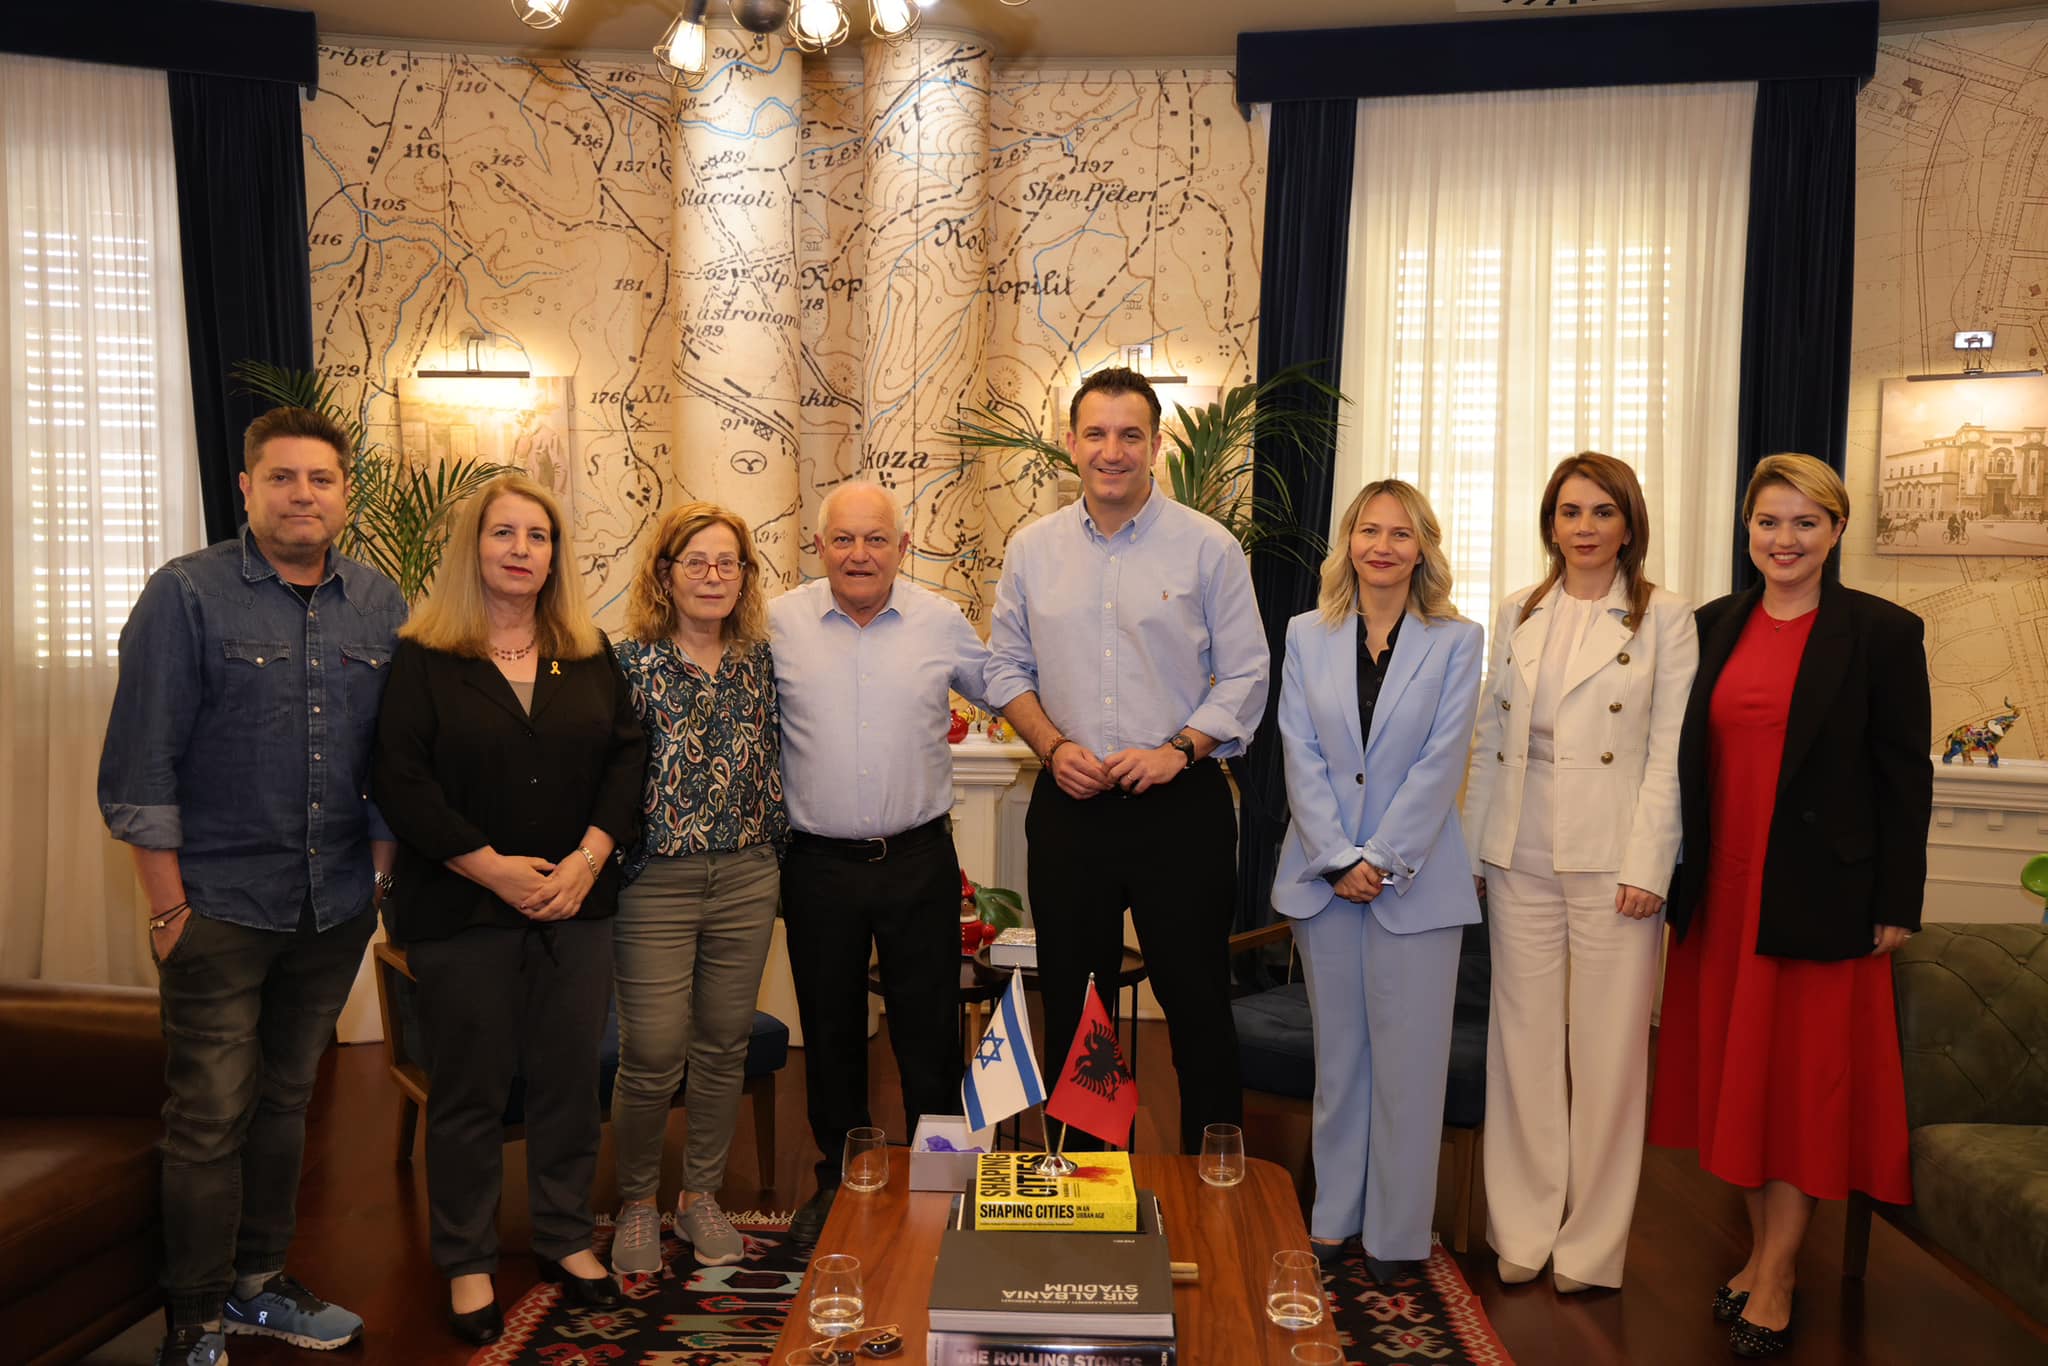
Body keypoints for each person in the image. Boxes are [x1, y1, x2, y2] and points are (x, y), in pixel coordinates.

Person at [98, 406, 404, 1366]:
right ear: (246, 488)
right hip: (219, 908)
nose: (302, 495)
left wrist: (379, 874)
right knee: (208, 1117)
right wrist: (168, 909)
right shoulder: (185, 594)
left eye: (320, 478)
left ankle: (259, 1286)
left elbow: (394, 756)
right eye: (281, 477)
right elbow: (141, 765)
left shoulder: (379, 602)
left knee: (284, 1104)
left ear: (344, 494)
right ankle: (193, 1322)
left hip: (334, 905)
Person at [1649, 454, 1929, 1359]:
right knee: (1743, 1080)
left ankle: (1776, 1273)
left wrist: (1897, 900)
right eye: (1769, 521)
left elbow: (1903, 778)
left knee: (1803, 1086)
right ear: (1748, 530)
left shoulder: (1883, 632)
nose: (1785, 539)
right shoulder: (1711, 625)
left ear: (1836, 531)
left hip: (1823, 897)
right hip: (1725, 894)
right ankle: (1762, 1251)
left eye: (1806, 522)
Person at [372, 474, 644, 1346]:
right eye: (504, 533)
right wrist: (492, 870)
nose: (522, 549)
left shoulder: (584, 653)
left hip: (576, 903)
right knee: (470, 1089)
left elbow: (626, 761)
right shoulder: (426, 656)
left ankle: (564, 1235)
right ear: (475, 547)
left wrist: (587, 860)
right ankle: (467, 1257)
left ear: (555, 556)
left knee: (569, 1080)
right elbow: (399, 777)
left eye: (539, 535)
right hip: (462, 908)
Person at [988, 367, 1269, 1155]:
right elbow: (1004, 669)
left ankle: (1213, 1186)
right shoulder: (1032, 551)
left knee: (1197, 1006)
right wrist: (1053, 746)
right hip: (1071, 807)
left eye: (1130, 435)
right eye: (1097, 434)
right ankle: (1086, 1181)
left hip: (1181, 810)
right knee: (1080, 1014)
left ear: (1155, 444)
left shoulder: (1208, 547)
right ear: (1071, 443)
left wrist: (1179, 750)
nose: (1112, 451)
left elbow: (1248, 674)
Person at [1462, 453, 1697, 1293]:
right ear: (1550, 523)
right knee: (1520, 1048)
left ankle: (1592, 1247)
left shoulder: (1665, 617)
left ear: (1628, 525)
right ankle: (1522, 1229)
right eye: (1570, 512)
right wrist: (1475, 852)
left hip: (1613, 861)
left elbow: (1669, 753)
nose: (1585, 527)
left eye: (1603, 512)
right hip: (1518, 853)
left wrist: (1650, 864)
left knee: (1608, 1055)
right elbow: (1491, 741)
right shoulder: (1519, 610)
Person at [1269, 478, 1484, 1278]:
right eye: (1369, 530)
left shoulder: (1457, 640)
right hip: (1323, 882)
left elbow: (1442, 761)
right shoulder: (1306, 634)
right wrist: (1336, 857)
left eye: (1400, 533)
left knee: (1409, 1067)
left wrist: (1382, 858)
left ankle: (1396, 1234)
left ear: (1421, 547)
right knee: (1341, 1060)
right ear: (1349, 542)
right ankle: (1334, 1215)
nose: (1382, 546)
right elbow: (1299, 751)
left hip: (1415, 884)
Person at [769, 479, 992, 1241]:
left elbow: (1008, 688)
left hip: (918, 860)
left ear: (902, 547)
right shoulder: (777, 624)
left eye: (874, 540)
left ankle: (942, 1179)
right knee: (830, 1030)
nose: (858, 554)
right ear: (819, 546)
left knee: (928, 1030)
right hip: (817, 866)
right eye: (843, 539)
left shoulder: (942, 621)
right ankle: (841, 1179)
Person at [608, 502, 788, 1275]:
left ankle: (700, 1196)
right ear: (665, 574)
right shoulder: (625, 663)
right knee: (651, 1051)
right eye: (696, 562)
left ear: (745, 577)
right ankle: (636, 1204)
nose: (713, 576)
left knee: (722, 1044)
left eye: (728, 563)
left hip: (748, 875)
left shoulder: (762, 661)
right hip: (654, 882)